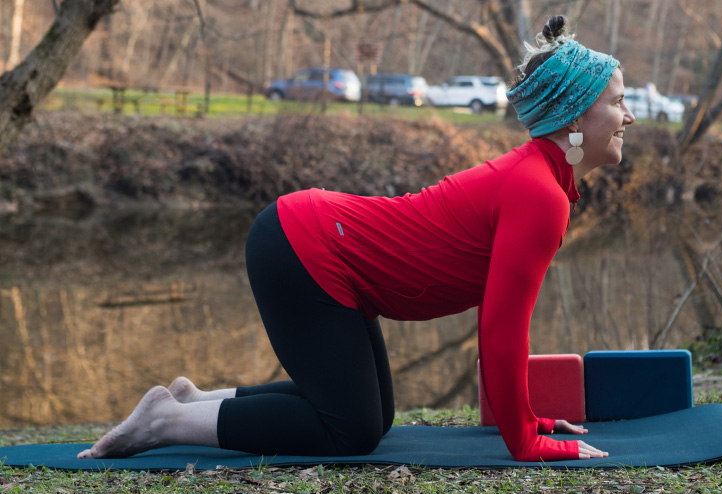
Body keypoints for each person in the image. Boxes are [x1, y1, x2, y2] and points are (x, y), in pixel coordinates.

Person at [77, 15, 634, 463]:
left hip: (328, 253)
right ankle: (166, 421)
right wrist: (525, 440)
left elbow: (500, 321)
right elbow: (501, 326)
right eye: (617, 102)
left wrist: (528, 416)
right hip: (306, 248)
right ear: (575, 116)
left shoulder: (539, 181)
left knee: (372, 416)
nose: (629, 116)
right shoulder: (539, 193)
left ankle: (196, 401)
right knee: (351, 431)